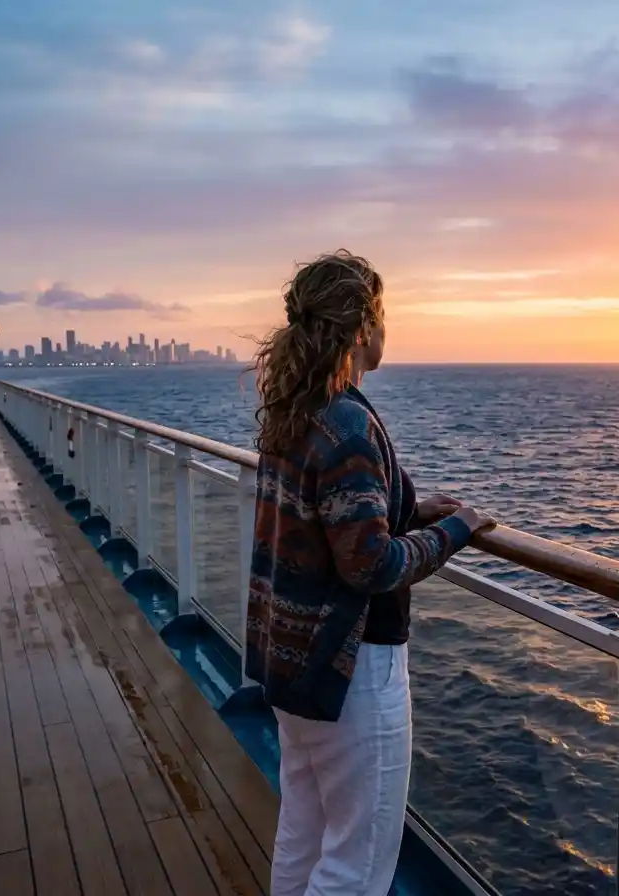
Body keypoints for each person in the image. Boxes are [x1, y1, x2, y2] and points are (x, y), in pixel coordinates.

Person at [246, 250, 495, 896]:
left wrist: (409, 508)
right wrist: (455, 531)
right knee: (356, 865)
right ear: (361, 327)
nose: (389, 330)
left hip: (291, 661)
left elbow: (331, 516)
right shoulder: (348, 421)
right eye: (383, 316)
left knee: (302, 837)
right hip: (350, 671)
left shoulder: (294, 410)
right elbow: (371, 564)